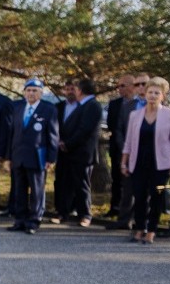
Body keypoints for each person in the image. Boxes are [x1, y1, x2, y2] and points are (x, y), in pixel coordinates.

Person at [121, 77, 170, 244]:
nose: (153, 95)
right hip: (138, 162)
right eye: (150, 92)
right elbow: (129, 141)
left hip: (161, 163)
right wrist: (123, 162)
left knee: (156, 198)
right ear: (145, 94)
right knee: (139, 197)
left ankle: (151, 231)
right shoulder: (135, 115)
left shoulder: (169, 114)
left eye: (157, 93)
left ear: (163, 96)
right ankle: (139, 229)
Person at [7, 78, 59, 234]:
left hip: (37, 156)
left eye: (34, 90)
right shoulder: (17, 107)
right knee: (19, 190)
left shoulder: (48, 109)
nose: (31, 93)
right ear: (24, 92)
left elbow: (53, 135)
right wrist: (8, 157)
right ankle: (20, 220)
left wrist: (51, 158)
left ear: (41, 93)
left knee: (37, 191)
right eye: (28, 90)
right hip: (18, 156)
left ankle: (34, 221)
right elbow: (12, 133)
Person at [56, 78, 103, 227]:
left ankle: (85, 215)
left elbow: (85, 130)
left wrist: (67, 144)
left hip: (82, 153)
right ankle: (64, 213)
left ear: (80, 90)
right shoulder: (83, 105)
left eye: (75, 89)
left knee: (82, 185)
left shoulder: (92, 105)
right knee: (65, 184)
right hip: (69, 153)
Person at [105, 74, 136, 225]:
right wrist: (123, 145)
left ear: (132, 86)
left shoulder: (137, 104)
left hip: (136, 150)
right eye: (118, 86)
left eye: (123, 85)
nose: (119, 89)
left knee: (131, 184)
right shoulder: (115, 104)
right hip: (117, 147)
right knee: (116, 179)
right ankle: (115, 208)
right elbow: (114, 127)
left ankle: (133, 215)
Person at [52, 79, 79, 222]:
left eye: (73, 89)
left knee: (76, 182)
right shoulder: (58, 107)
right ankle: (60, 210)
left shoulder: (82, 107)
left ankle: (75, 209)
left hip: (76, 150)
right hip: (59, 149)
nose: (70, 92)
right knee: (60, 181)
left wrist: (68, 143)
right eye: (67, 89)